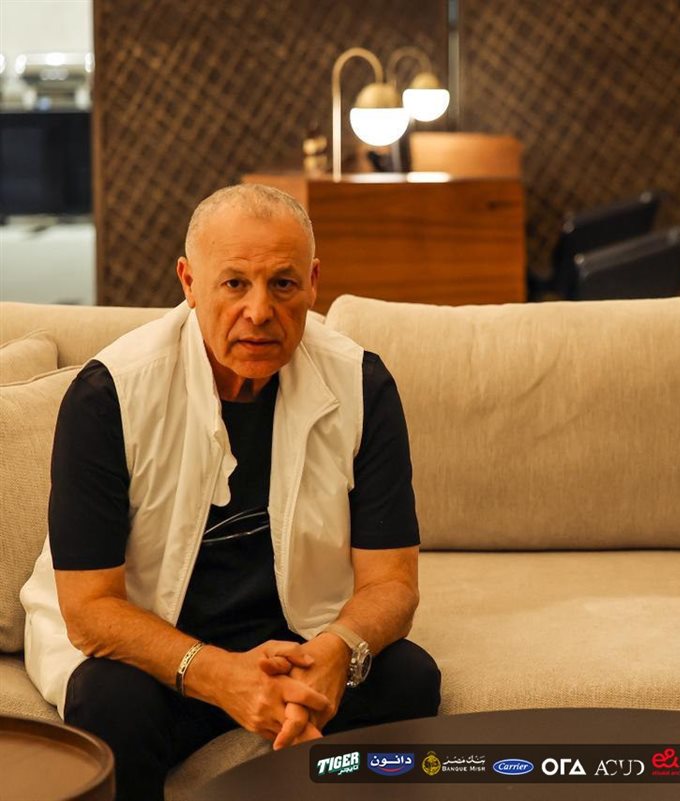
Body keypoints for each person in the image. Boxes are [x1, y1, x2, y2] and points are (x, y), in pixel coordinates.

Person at [20, 184, 441, 801]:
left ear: (313, 283)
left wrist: (335, 652)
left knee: (408, 678)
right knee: (109, 702)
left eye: (283, 284)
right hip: (157, 647)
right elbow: (89, 609)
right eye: (235, 283)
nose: (259, 311)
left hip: (298, 641)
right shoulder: (110, 393)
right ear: (189, 283)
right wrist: (221, 676)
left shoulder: (361, 385)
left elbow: (393, 584)